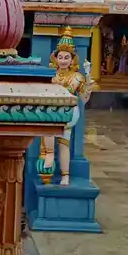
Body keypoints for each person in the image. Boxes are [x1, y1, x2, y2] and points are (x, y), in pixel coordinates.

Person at [37, 28, 94, 186]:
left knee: (63, 142)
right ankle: (49, 154)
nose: (63, 61)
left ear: (72, 59)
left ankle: (65, 175)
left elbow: (83, 99)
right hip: (52, 111)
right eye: (60, 57)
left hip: (69, 112)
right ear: (55, 58)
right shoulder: (50, 75)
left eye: (66, 58)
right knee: (48, 126)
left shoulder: (77, 77)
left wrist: (88, 84)